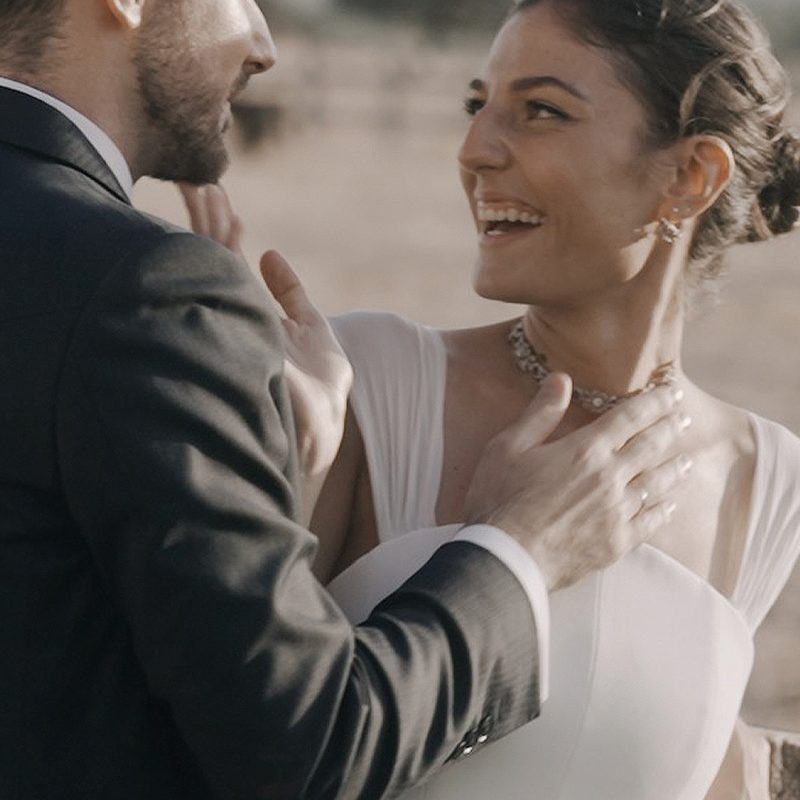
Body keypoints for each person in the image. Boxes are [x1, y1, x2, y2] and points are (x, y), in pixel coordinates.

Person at [0, 1, 692, 799]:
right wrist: (523, 548)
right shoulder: (138, 288)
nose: (263, 44)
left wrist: (264, 458)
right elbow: (313, 748)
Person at [186, 0, 800, 797]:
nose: (474, 151)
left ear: (691, 177)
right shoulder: (368, 384)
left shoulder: (768, 482)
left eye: (542, 111)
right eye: (476, 105)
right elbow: (251, 725)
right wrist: (273, 468)